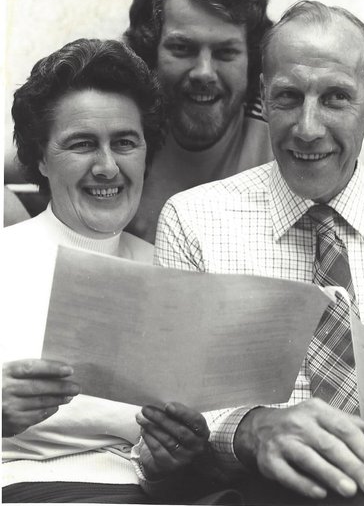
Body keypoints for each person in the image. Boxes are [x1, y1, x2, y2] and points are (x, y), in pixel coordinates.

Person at [153, 1, 364, 504]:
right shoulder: (195, 220)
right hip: (256, 487)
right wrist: (256, 428)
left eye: (335, 98)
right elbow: (175, 404)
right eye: (288, 97)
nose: (307, 128)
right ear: (263, 98)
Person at [1, 38, 210, 503]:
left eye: (125, 143)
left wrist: (166, 461)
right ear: (39, 157)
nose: (108, 166)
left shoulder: (172, 267)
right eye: (82, 144)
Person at [123, 0, 274, 243]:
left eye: (225, 52)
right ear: (152, 52)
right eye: (182, 48)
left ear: (251, 60)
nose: (204, 72)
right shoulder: (124, 122)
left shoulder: (278, 139)